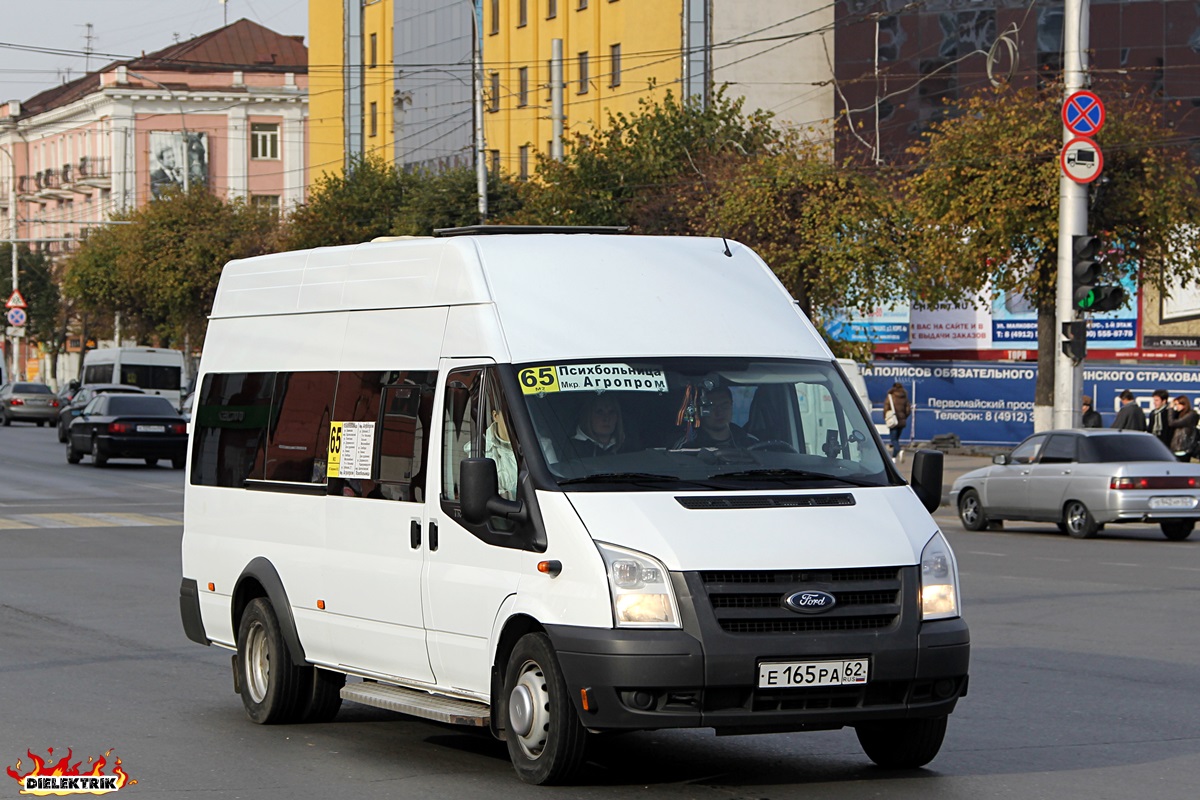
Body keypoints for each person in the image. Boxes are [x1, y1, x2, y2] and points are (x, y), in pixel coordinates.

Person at [674, 386, 757, 448]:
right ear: (699, 410)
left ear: (732, 405)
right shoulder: (687, 444)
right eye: (711, 407)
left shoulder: (751, 442)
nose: (719, 412)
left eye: (724, 406)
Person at [484, 407, 519, 499]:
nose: (514, 421)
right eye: (509, 415)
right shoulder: (480, 451)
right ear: (495, 416)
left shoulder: (542, 447)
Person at [883, 382, 910, 459]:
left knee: (893, 439)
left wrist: (886, 417)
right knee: (896, 439)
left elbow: (886, 408)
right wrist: (903, 417)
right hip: (901, 421)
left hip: (893, 421)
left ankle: (899, 450)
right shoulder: (905, 397)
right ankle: (894, 457)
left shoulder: (891, 396)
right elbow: (908, 410)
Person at [1168, 395, 1198, 462]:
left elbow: (1172, 423)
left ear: (1184, 404)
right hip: (1176, 449)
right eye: (1176, 405)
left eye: (1178, 404)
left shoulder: (1190, 415)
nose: (1177, 407)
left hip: (1184, 448)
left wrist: (1171, 409)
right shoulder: (1179, 414)